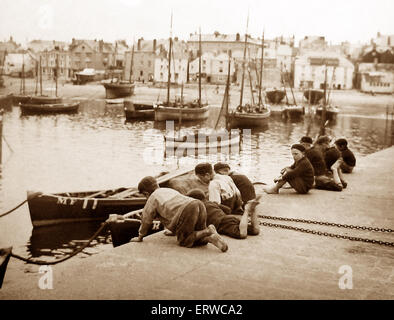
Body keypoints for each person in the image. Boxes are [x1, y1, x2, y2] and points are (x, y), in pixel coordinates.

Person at [130, 176, 228, 252]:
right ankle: (210, 238)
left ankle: (207, 231)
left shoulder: (153, 198)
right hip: (198, 204)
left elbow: (146, 220)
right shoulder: (168, 190)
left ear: (146, 193)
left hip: (188, 209)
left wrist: (140, 236)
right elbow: (173, 211)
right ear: (157, 185)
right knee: (195, 238)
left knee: (184, 241)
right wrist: (173, 231)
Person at [186, 189, 261, 239]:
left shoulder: (197, 207)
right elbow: (228, 210)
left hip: (221, 223)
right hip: (228, 218)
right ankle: (253, 209)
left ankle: (247, 210)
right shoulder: (210, 202)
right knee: (255, 230)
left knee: (242, 234)